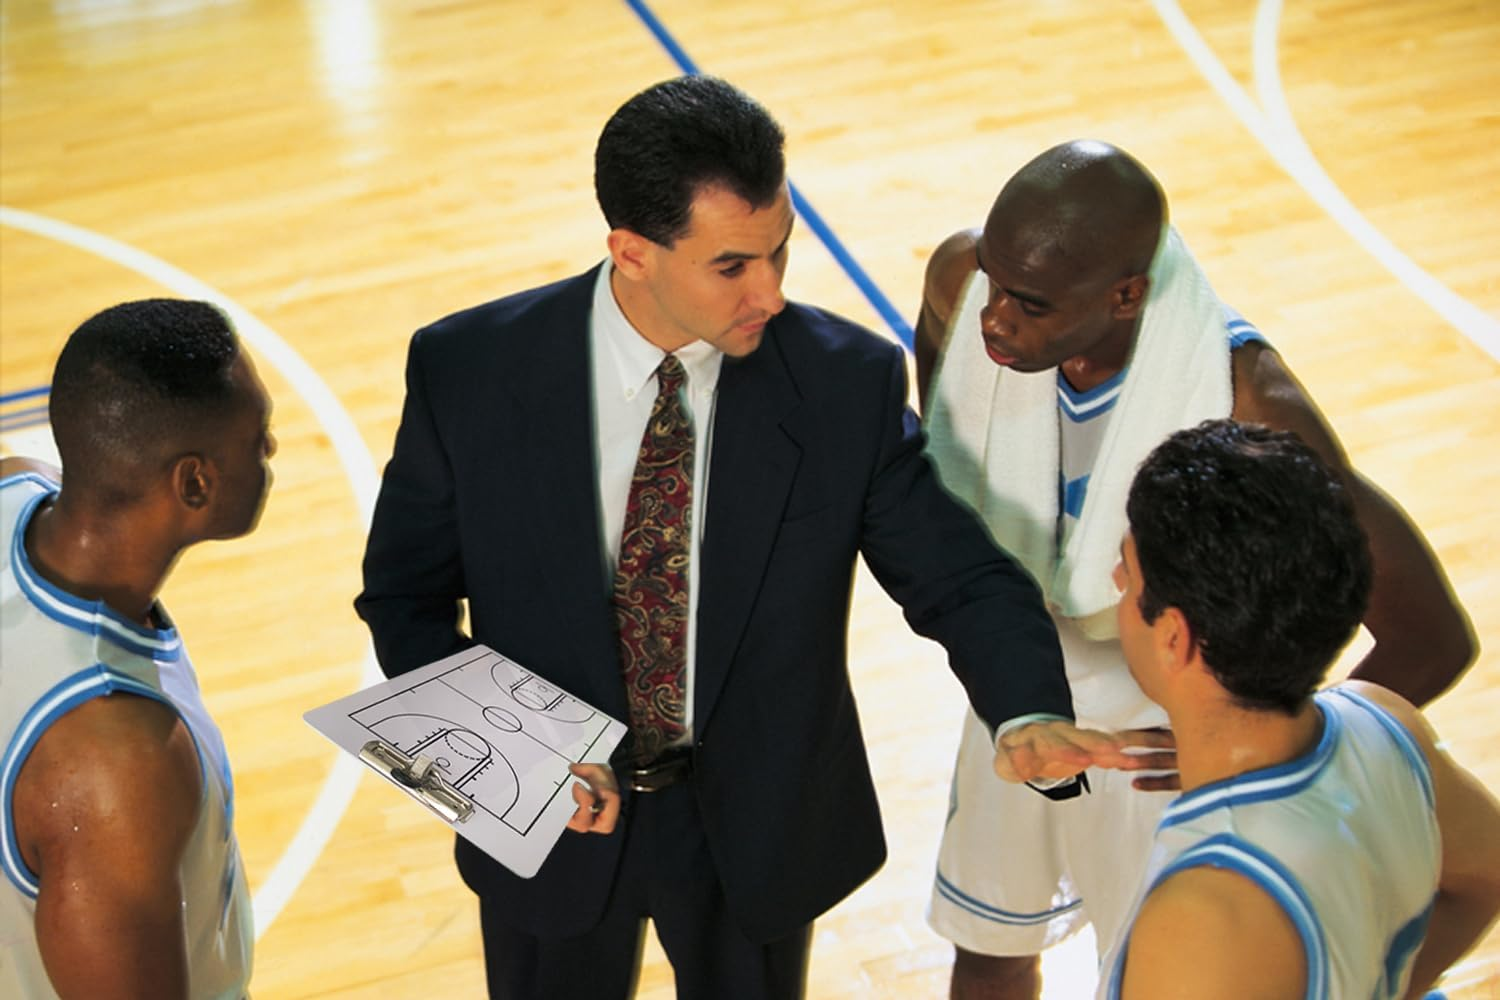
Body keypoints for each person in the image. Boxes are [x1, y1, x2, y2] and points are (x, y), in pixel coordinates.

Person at [355, 76, 1149, 1000]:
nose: (769, 293)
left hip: (757, 829)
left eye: (780, 252)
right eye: (733, 265)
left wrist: (1026, 706)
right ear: (632, 251)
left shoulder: (842, 381)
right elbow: (402, 602)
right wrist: (517, 764)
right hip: (548, 818)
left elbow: (958, 575)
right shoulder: (470, 370)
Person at [916, 140, 1477, 998]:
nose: (995, 321)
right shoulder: (964, 286)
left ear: (1126, 295)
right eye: (996, 284)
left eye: (1029, 303)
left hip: (1160, 736)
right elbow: (950, 464)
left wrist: (1236, 728)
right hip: (1023, 687)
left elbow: (1430, 635)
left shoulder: (1248, 403)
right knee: (988, 947)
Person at [1101, 418, 1500, 998]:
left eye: (1128, 573)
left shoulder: (1207, 912)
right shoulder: (1386, 721)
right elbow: (1487, 876)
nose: (1115, 578)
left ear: (1173, 637)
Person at [0, 298, 273, 999]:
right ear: (194, 483)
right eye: (256, 438)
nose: (269, 451)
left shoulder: (13, 483)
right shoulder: (119, 764)